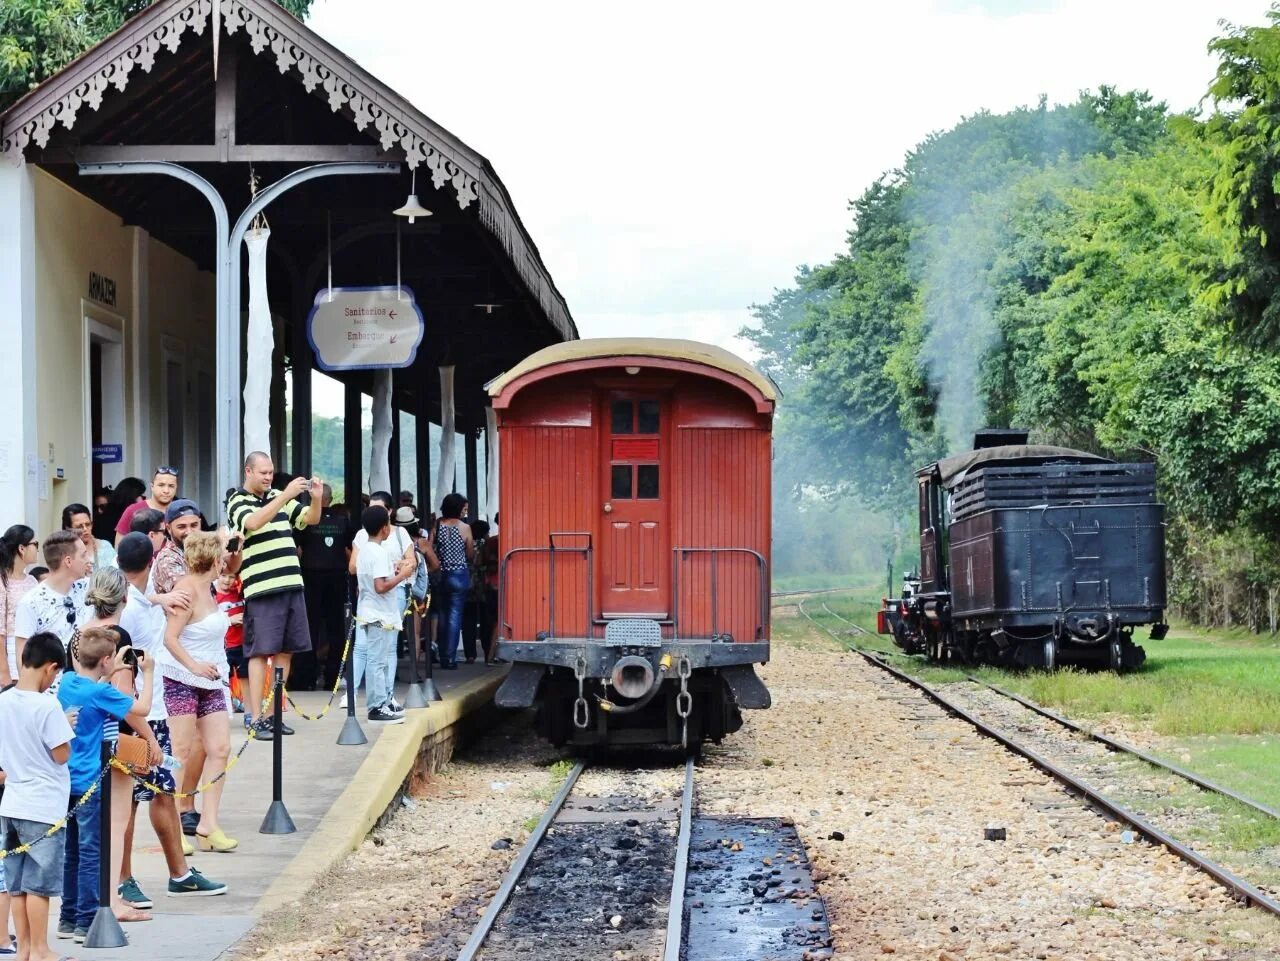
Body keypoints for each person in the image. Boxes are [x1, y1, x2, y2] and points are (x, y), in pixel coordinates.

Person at [115, 533, 225, 906]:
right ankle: (122, 877)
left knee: (162, 794)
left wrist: (158, 598)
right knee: (127, 799)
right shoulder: (128, 608)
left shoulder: (151, 600)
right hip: (136, 716)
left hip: (155, 709)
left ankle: (179, 873)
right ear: (153, 560)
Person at [58, 626, 156, 936]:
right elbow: (142, 709)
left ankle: (68, 916)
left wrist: (108, 669)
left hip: (67, 781)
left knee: (72, 850)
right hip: (91, 782)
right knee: (92, 852)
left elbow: (91, 691)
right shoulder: (102, 693)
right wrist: (148, 673)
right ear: (105, 660)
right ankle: (87, 921)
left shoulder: (69, 683)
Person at [226, 453, 322, 739]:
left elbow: (309, 519)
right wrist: (284, 495)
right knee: (259, 651)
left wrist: (315, 498)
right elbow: (253, 523)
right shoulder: (237, 500)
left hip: (291, 582)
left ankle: (273, 715)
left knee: (286, 650)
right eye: (263, 472)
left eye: (271, 472)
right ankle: (256, 718)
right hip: (262, 586)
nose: (268, 478)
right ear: (248, 471)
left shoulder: (277, 495)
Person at [0, 633, 74, 961]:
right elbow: (61, 754)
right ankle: (42, 950)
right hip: (43, 806)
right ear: (50, 668)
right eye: (55, 675)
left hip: (12, 802)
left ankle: (25, 949)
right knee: (39, 886)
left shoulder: (4, 700)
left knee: (17, 884)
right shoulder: (47, 705)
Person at [160, 532, 235, 852]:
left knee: (220, 748)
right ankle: (174, 825)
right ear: (214, 560)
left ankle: (209, 825)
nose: (226, 564)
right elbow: (170, 638)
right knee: (181, 751)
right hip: (182, 678)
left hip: (212, 678)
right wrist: (193, 666)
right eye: (222, 558)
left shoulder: (210, 588)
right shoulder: (186, 591)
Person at [346, 492, 414, 709]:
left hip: (369, 607)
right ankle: (377, 705)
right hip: (379, 611)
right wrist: (401, 574)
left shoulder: (367, 549)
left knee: (379, 655)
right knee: (377, 657)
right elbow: (381, 586)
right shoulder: (378, 552)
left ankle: (384, 699)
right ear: (384, 526)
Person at [14, 531, 91, 674]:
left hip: (88, 688)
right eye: (83, 555)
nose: (89, 560)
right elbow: (22, 657)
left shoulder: (91, 588)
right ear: (68, 561)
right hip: (50, 691)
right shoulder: (31, 602)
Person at [296, 483, 350, 691]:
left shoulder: (306, 522)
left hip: (310, 577)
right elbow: (349, 548)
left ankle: (305, 679)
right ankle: (333, 679)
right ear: (331, 499)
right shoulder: (342, 521)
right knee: (336, 629)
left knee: (309, 628)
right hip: (337, 577)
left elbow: (297, 549)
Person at [433, 494, 475, 669]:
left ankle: (442, 655)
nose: (465, 511)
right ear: (458, 508)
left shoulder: (437, 525)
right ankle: (450, 657)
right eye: (464, 508)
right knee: (455, 616)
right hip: (459, 573)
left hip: (441, 574)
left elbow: (430, 548)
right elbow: (470, 553)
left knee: (442, 615)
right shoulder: (464, 527)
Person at [0, 527, 39, 689]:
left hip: (33, 650)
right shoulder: (2, 582)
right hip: (9, 651)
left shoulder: (32, 581)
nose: (37, 548)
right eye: (34, 544)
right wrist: (3, 670)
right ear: (22, 548)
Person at [114, 468, 179, 547]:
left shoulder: (182, 510)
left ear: (176, 488)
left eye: (171, 486)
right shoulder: (133, 510)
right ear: (152, 486)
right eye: (161, 485)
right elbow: (119, 548)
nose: (166, 490)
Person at [460, 520, 490, 665]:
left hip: (467, 585)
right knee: (486, 620)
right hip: (483, 587)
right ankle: (487, 652)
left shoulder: (466, 542)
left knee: (468, 621)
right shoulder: (486, 544)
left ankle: (470, 654)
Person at [63, 503, 115, 572]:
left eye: (88, 524)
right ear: (68, 528)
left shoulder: (105, 546)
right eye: (79, 526)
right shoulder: (63, 552)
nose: (85, 529)